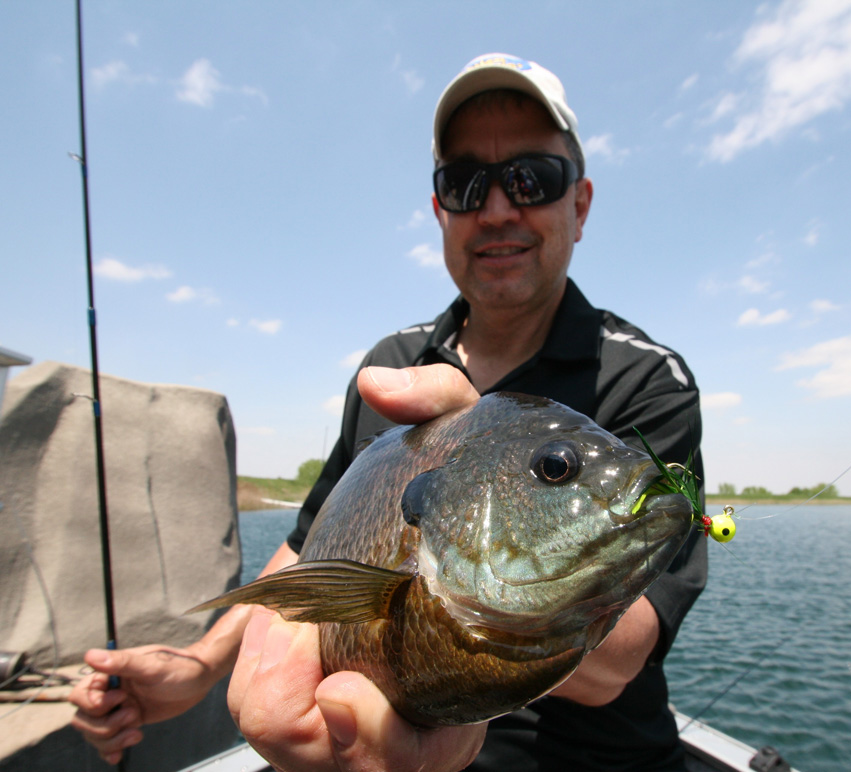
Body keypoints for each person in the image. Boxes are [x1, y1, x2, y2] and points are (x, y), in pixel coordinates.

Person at [70, 53, 706, 772]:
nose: (497, 208)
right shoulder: (393, 365)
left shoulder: (649, 379)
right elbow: (315, 550)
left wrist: (459, 597)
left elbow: (619, 663)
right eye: (465, 184)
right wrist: (202, 664)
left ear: (580, 204)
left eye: (532, 178)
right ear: (441, 212)